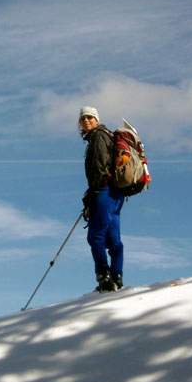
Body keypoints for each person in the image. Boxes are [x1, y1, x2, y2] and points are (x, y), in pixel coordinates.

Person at [79, 106, 125, 292]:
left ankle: (104, 276)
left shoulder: (98, 136)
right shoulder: (106, 135)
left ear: (97, 120)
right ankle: (117, 277)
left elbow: (99, 166)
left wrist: (92, 193)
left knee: (95, 236)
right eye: (83, 119)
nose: (86, 121)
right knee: (114, 239)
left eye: (90, 117)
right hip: (117, 193)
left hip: (104, 191)